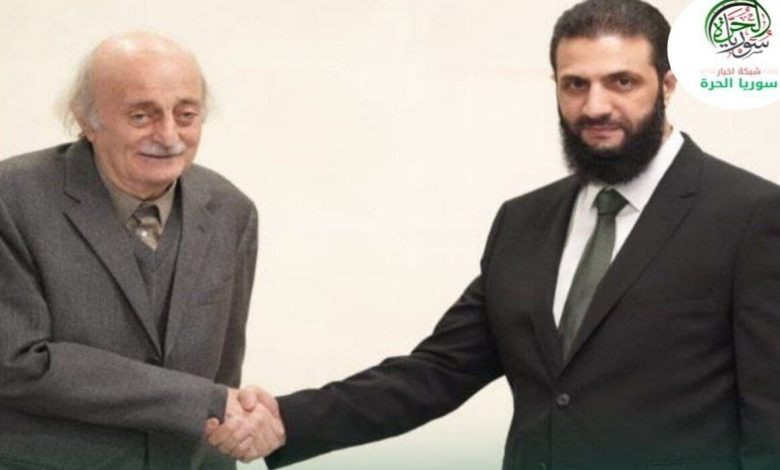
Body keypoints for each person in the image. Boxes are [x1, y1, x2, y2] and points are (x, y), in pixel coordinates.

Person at [231, 0, 780, 468]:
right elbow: (438, 371)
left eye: (622, 82)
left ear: (667, 85)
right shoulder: (524, 221)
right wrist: (285, 421)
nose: (595, 107)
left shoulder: (751, 216)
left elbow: (772, 419)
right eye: (575, 84)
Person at [0, 32, 284, 469]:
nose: (168, 135)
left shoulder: (232, 211)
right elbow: (15, 364)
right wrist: (204, 401)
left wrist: (232, 425)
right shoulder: (11, 199)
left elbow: (223, 377)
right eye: (141, 116)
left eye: (186, 115)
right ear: (86, 119)